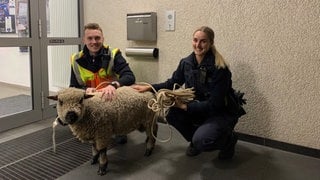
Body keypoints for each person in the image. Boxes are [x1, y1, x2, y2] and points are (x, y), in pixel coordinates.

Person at [132, 26, 239, 160]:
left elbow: (215, 104)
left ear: (211, 43)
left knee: (203, 140)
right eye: (195, 40)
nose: (198, 45)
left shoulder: (220, 68)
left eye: (203, 41)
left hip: (219, 113)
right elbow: (171, 83)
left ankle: (229, 141)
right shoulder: (186, 63)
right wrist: (149, 87)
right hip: (197, 108)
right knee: (171, 114)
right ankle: (195, 140)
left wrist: (185, 107)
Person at [69, 22, 136, 144]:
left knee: (119, 138)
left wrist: (113, 85)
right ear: (84, 40)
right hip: (90, 102)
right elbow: (73, 87)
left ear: (103, 39)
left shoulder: (113, 54)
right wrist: (84, 91)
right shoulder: (76, 59)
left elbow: (130, 77)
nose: (94, 42)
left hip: (110, 101)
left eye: (97, 38)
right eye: (90, 38)